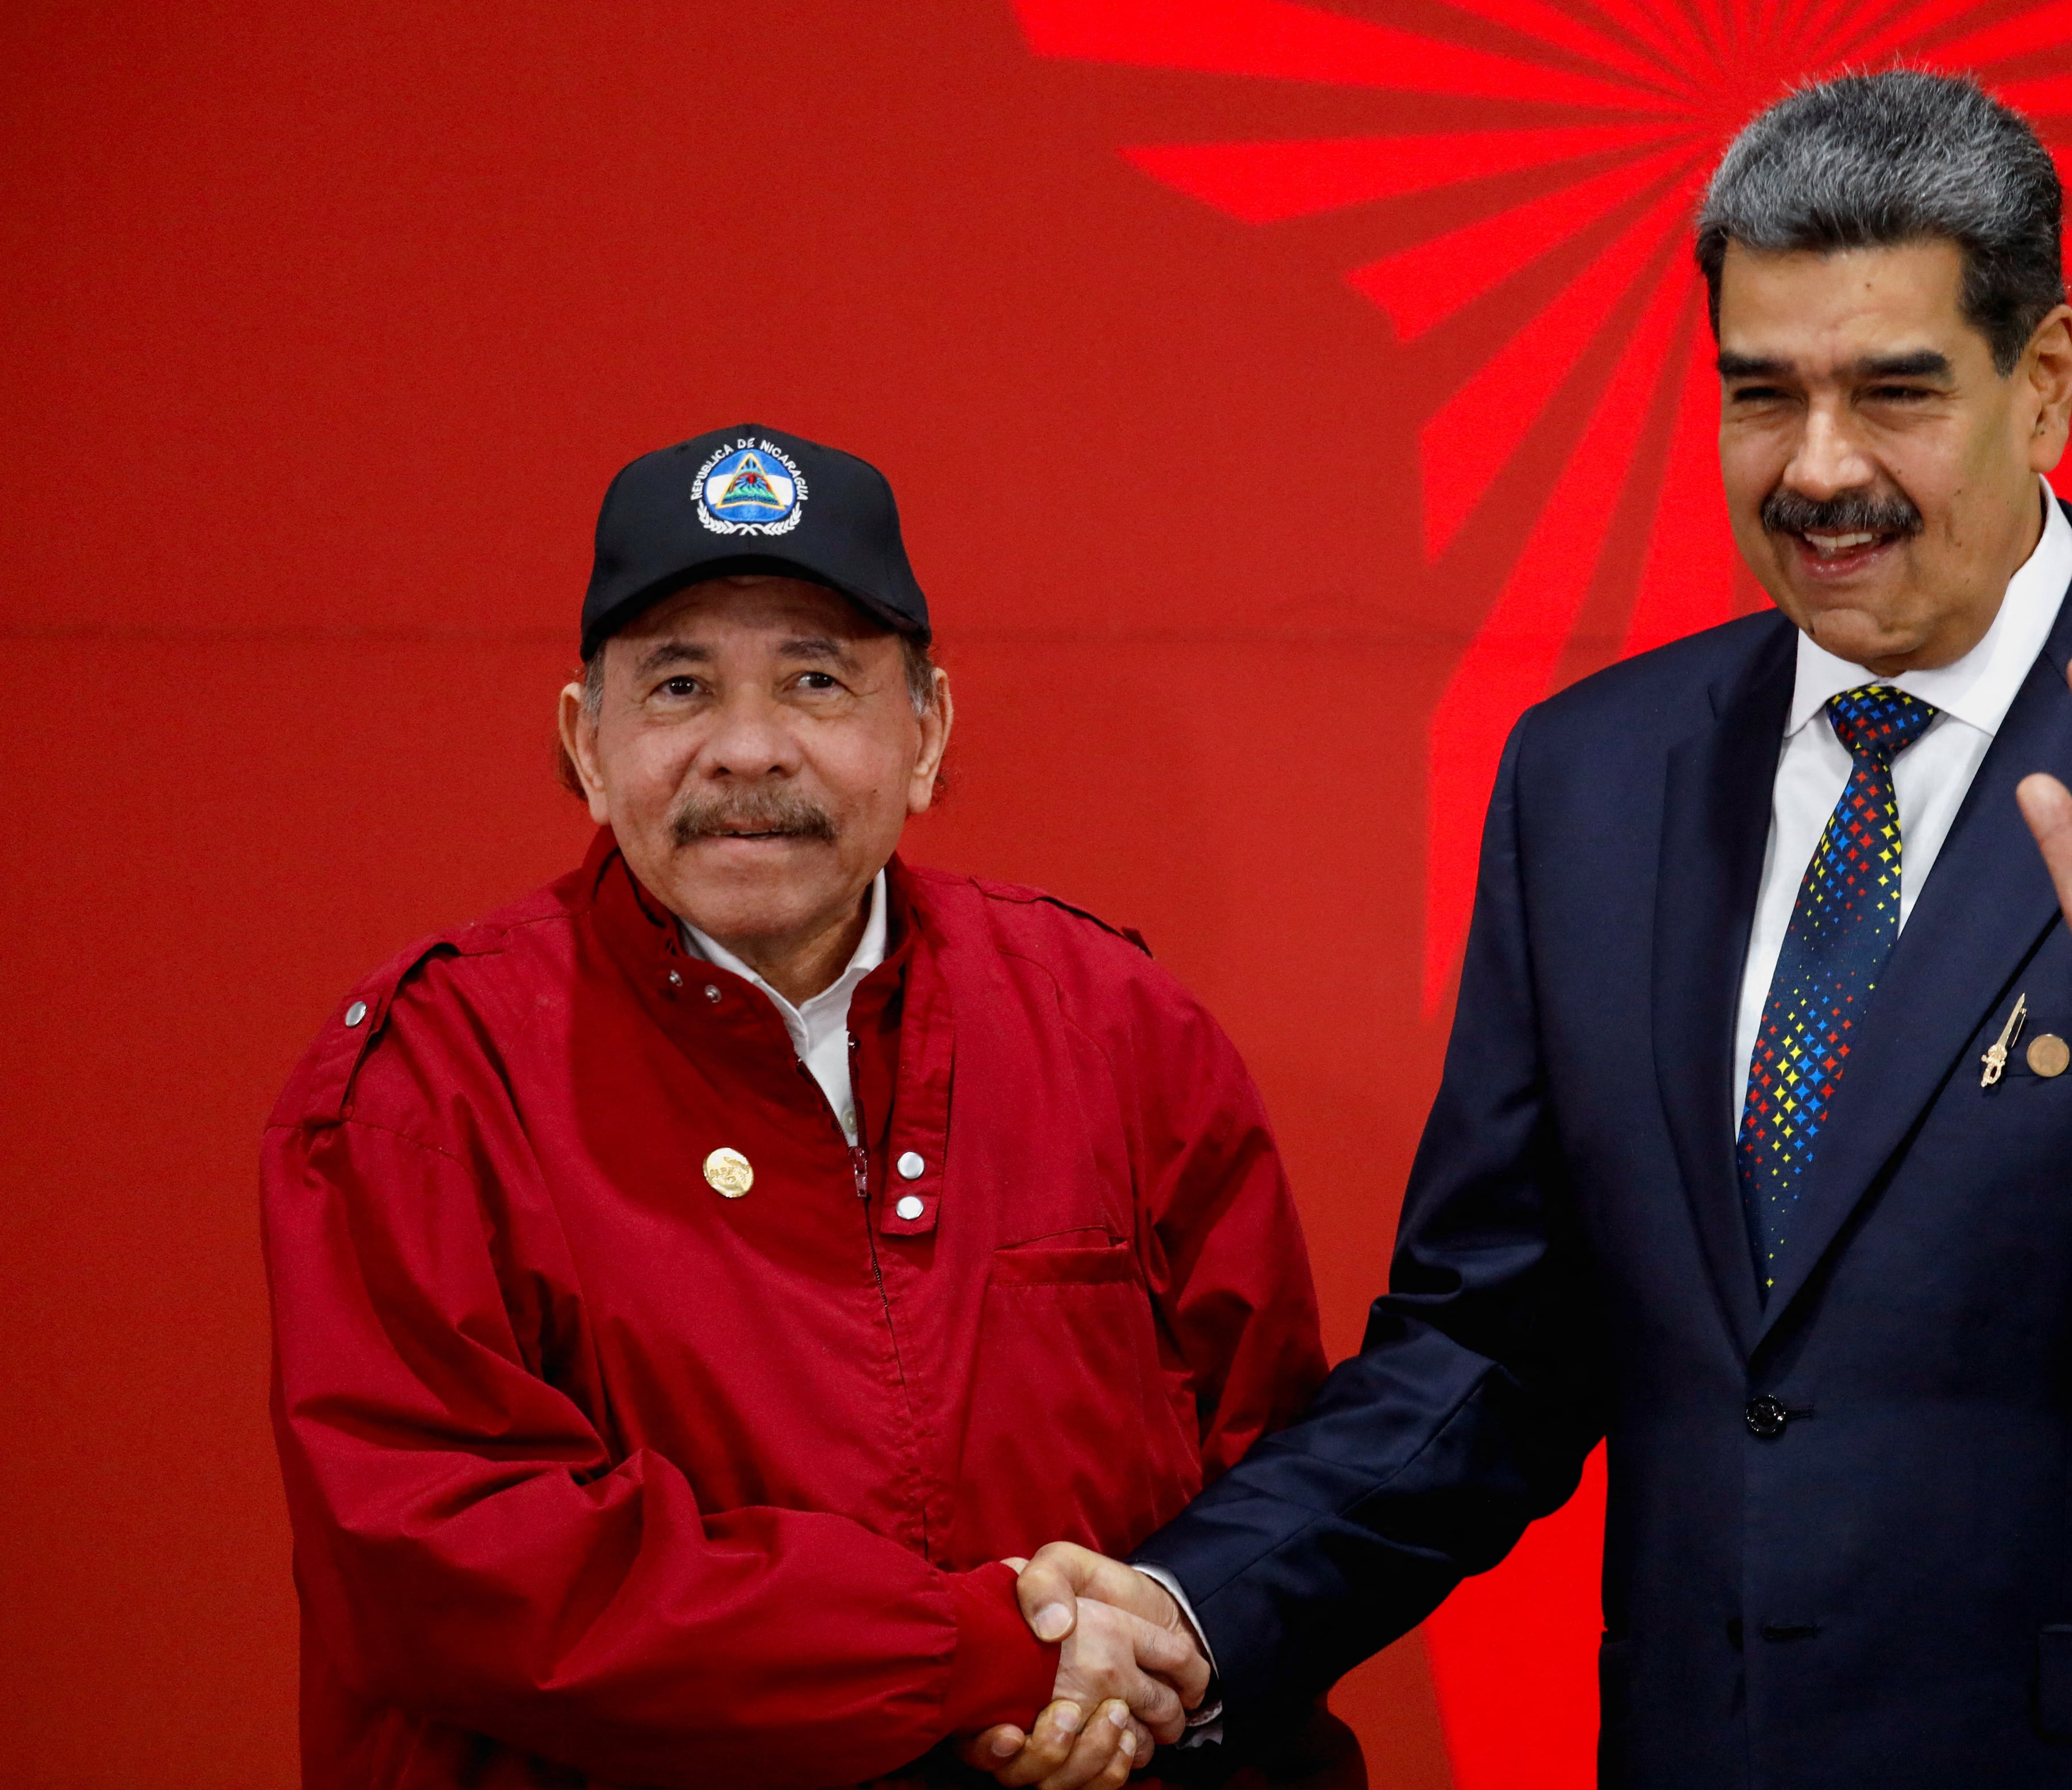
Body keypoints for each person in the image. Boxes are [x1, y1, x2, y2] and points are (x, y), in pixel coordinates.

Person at [1020, 72, 2072, 1785]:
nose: (1819, 468)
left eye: (1893, 391)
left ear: (2043, 384)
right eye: (1762, 394)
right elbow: (1494, 1342)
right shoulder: (1593, 776)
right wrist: (1194, 1607)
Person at [262, 425, 1338, 1790]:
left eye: (816, 680)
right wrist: (974, 1651)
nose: (746, 748)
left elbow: (1272, 1487)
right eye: (680, 687)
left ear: (927, 733)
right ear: (586, 743)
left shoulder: (1119, 1026)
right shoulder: (428, 1078)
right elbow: (446, 1557)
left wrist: (1155, 1662)